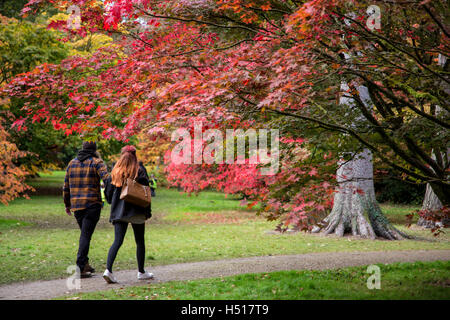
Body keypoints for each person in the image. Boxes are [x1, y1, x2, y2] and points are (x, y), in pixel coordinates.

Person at [103, 145, 153, 283]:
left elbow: (108, 194)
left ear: (122, 155)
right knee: (139, 241)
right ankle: (141, 272)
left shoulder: (115, 171)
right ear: (135, 155)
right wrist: (148, 212)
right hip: (137, 211)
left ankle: (108, 270)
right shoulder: (140, 171)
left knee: (117, 241)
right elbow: (146, 193)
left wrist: (112, 203)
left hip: (119, 212)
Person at [63, 141, 110, 278]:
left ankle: (85, 264)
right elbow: (106, 179)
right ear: (94, 149)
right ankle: (80, 267)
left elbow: (66, 186)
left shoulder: (72, 163)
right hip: (92, 205)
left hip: (77, 206)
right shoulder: (97, 162)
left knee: (85, 234)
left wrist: (67, 204)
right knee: (85, 235)